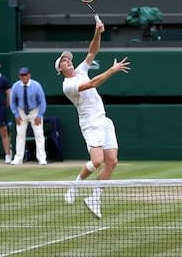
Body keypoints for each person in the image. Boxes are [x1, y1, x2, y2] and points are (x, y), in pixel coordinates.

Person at [55, 21, 130, 219]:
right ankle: (75, 185)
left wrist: (97, 33)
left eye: (68, 59)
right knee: (97, 161)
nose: (67, 60)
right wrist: (112, 70)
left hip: (104, 121)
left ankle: (95, 198)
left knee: (112, 161)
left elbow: (92, 51)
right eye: (63, 61)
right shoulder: (68, 86)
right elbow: (94, 83)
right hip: (90, 124)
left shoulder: (80, 70)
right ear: (60, 69)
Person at [9, 67, 48, 165]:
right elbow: (12, 102)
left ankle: (42, 158)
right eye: (22, 75)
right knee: (20, 135)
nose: (24, 77)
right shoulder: (16, 86)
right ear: (19, 76)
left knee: (39, 135)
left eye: (25, 75)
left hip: (35, 111)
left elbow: (42, 101)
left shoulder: (36, 86)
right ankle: (18, 158)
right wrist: (16, 115)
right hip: (21, 112)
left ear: (29, 75)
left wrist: (39, 115)